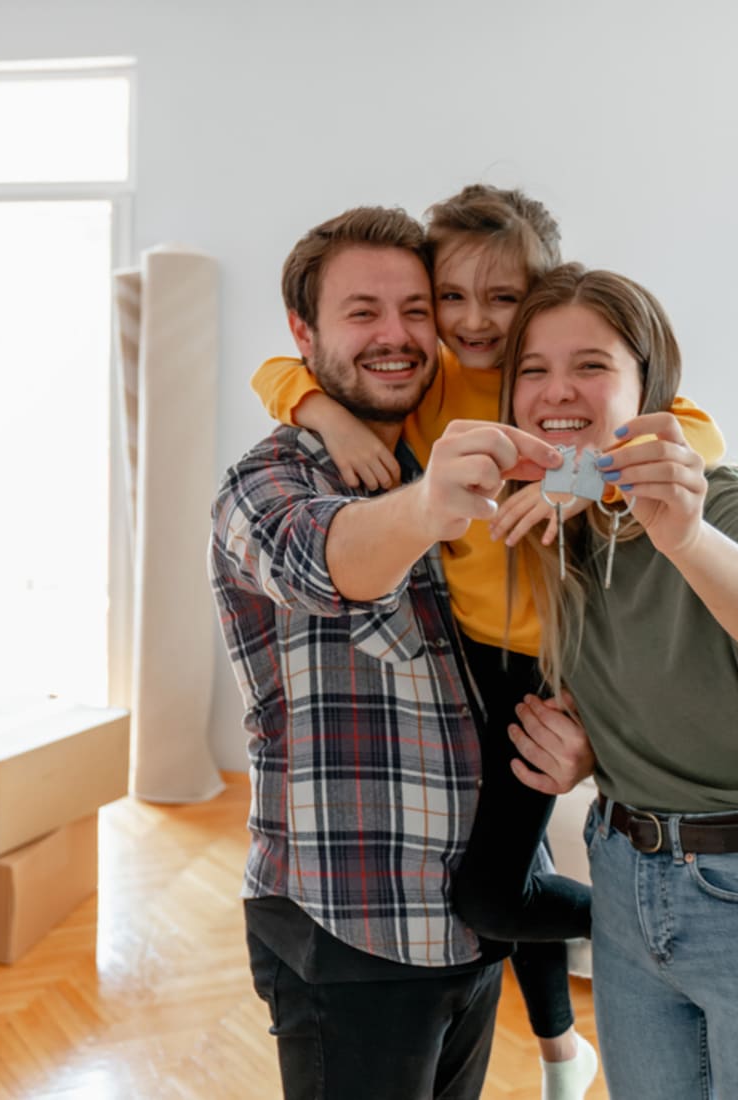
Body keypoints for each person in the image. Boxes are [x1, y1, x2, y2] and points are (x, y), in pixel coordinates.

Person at [250, 184, 728, 1098]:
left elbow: (695, 433)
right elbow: (276, 372)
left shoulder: (562, 389)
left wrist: (583, 478)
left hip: (547, 666)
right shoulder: (429, 391)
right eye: (452, 299)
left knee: (494, 891)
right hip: (467, 657)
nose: (472, 322)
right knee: (509, 869)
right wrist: (330, 416)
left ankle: (655, 937)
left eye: (502, 300)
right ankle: (560, 1049)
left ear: (540, 297)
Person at [210, 205, 594, 1100]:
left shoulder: (454, 435)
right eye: (361, 313)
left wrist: (577, 748)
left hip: (468, 932)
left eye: (416, 309)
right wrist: (430, 504)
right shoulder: (267, 480)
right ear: (305, 335)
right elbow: (322, 559)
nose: (398, 335)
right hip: (352, 930)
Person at [495, 263, 738, 1098]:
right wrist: (592, 753)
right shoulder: (561, 543)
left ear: (647, 385)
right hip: (625, 885)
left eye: (591, 364)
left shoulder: (727, 503)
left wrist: (685, 538)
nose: (558, 389)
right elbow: (656, 688)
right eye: (533, 369)